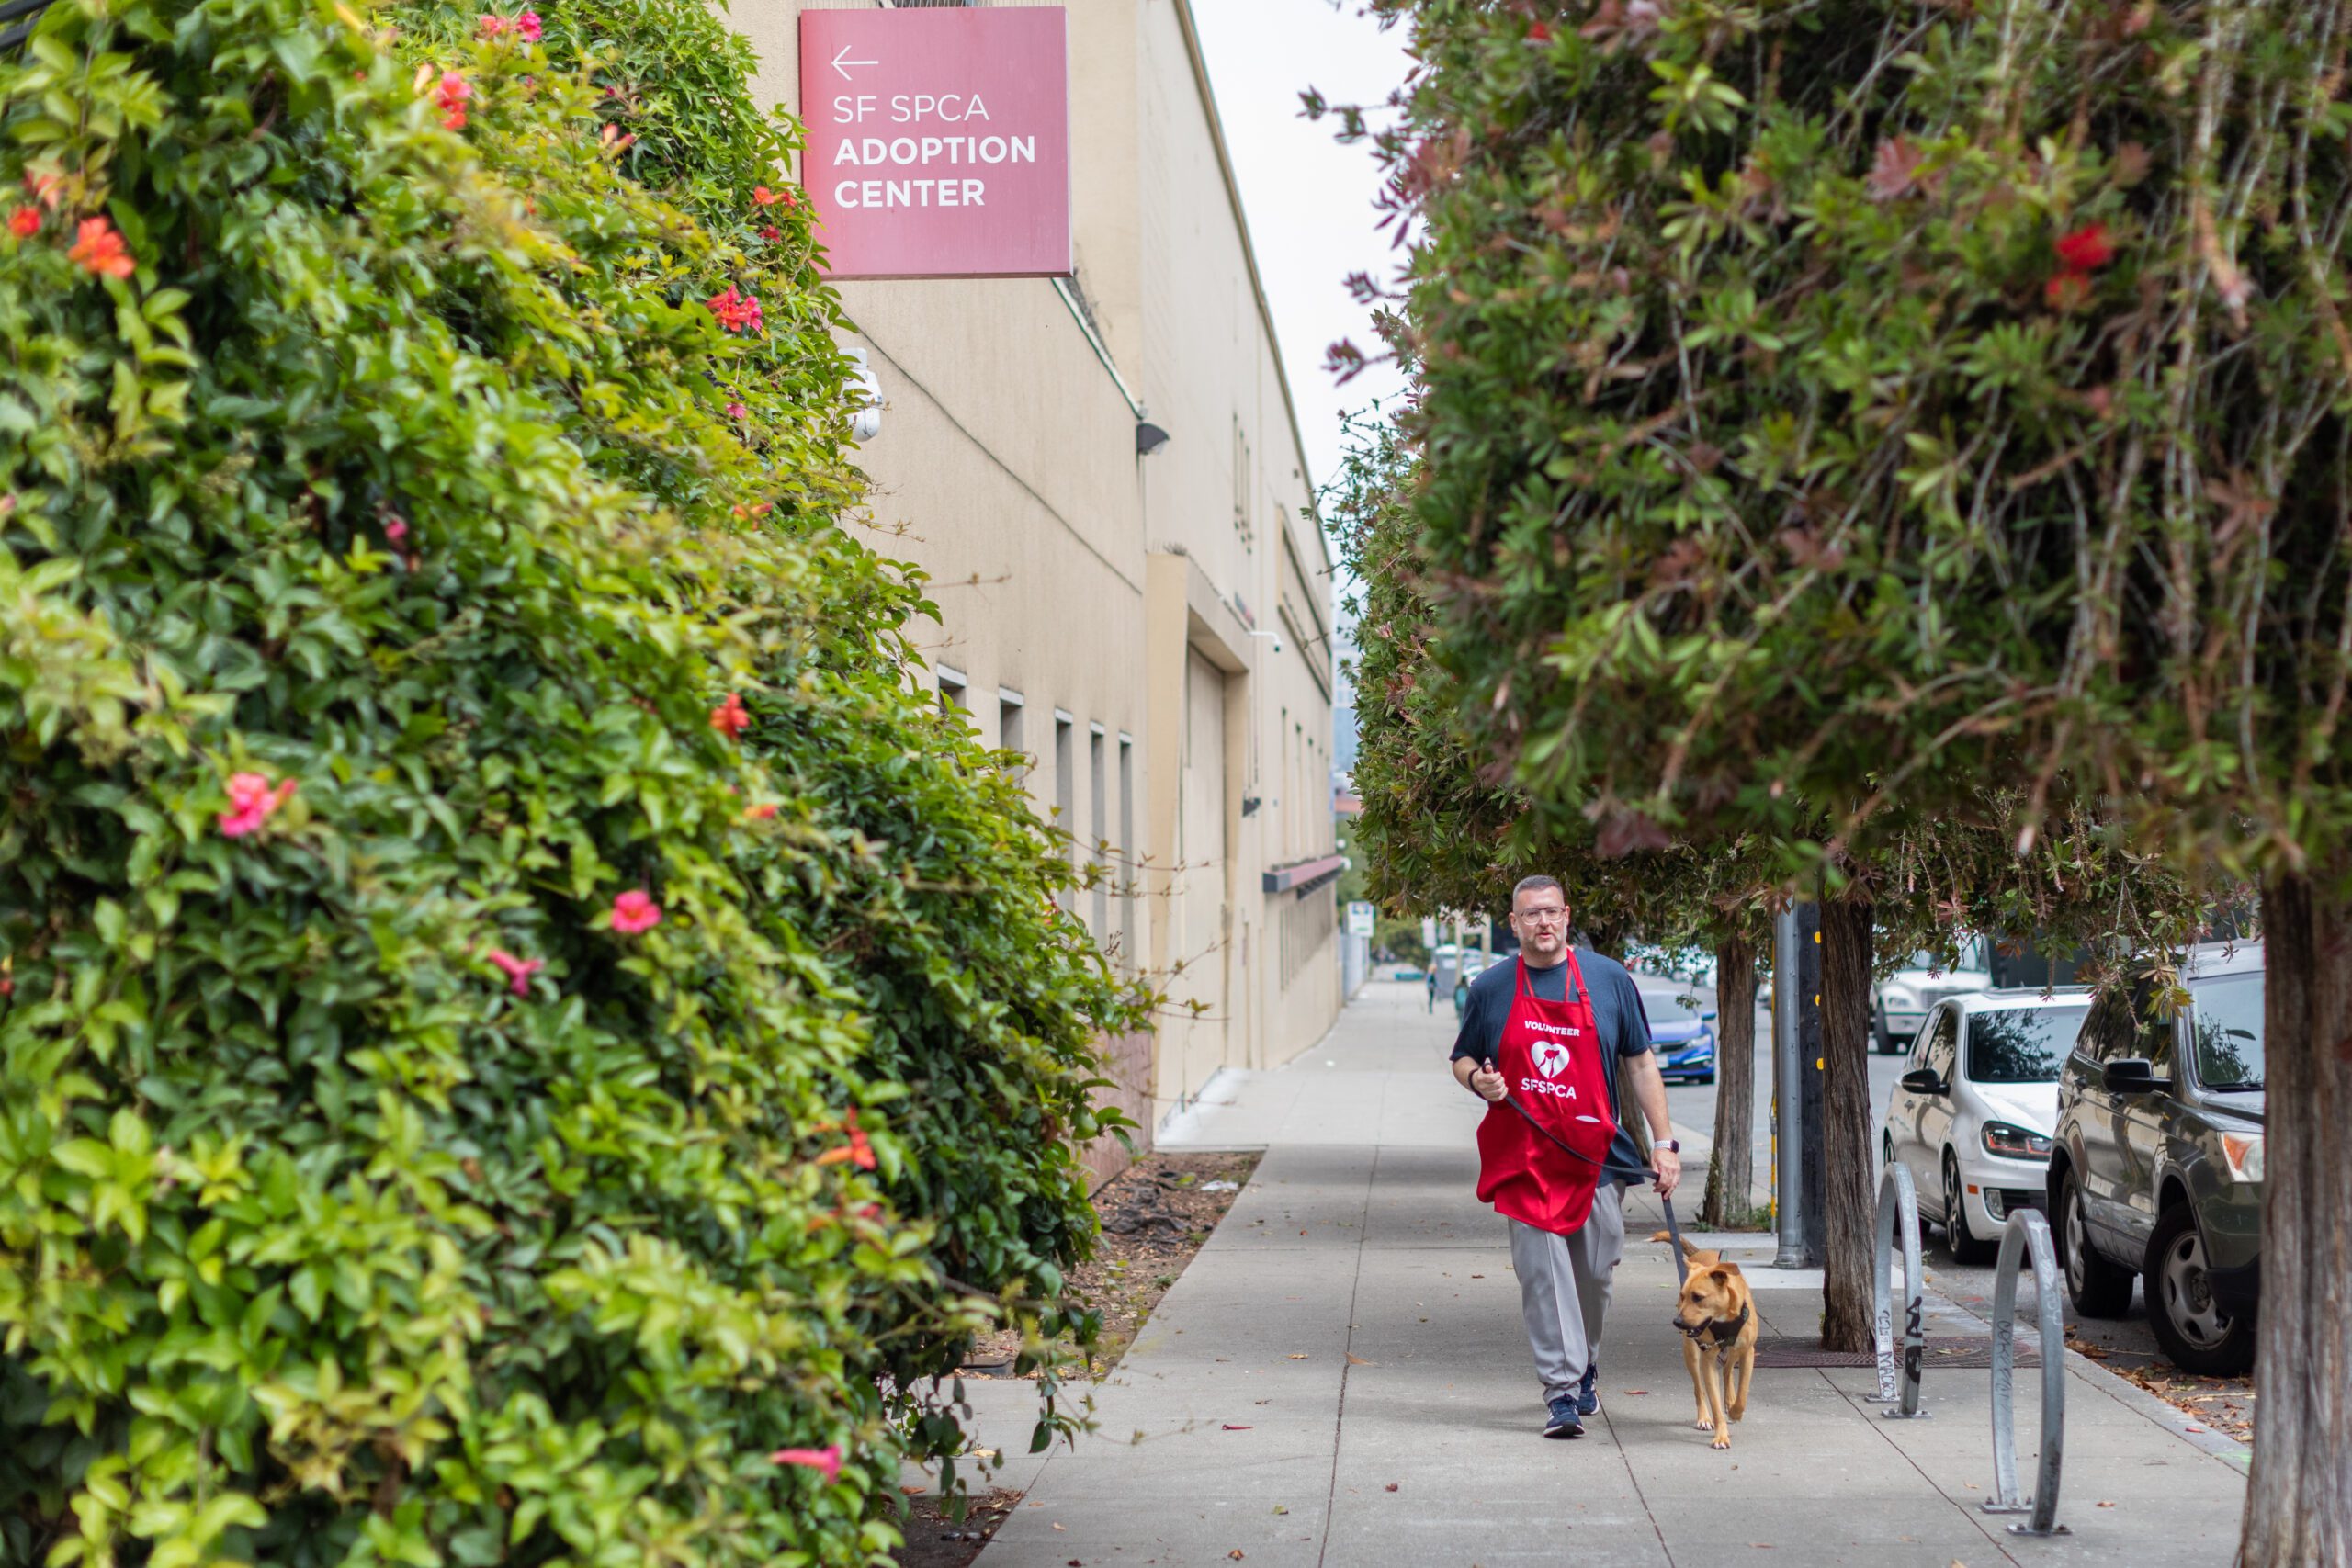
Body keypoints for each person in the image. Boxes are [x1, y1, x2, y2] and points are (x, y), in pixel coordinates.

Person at [1449, 875, 1681, 1439]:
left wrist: (1664, 1142)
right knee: (1544, 1277)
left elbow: (1640, 1064)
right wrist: (1479, 1081)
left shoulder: (1608, 979)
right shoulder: (1491, 987)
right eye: (1531, 914)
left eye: (1551, 911)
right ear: (1515, 923)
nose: (1543, 922)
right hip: (1525, 1158)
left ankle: (1585, 1365)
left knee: (1594, 1275)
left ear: (1567, 915)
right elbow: (1462, 1058)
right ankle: (1561, 1392)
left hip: (1595, 1157)